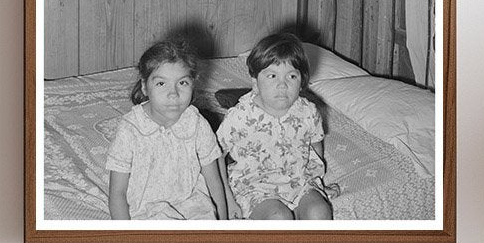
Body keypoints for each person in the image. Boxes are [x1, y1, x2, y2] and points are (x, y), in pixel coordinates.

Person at [216, 32, 333, 221]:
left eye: (291, 76)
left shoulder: (308, 111)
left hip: (299, 181)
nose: (282, 85)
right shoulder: (240, 116)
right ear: (255, 82)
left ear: (302, 81)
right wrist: (228, 200)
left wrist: (318, 182)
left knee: (320, 212)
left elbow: (316, 147)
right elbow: (216, 156)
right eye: (272, 76)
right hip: (255, 186)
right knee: (279, 218)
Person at [106, 42, 228, 221]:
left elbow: (214, 182)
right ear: (145, 87)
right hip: (146, 210)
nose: (173, 93)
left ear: (193, 84)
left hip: (193, 204)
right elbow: (117, 193)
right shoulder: (130, 129)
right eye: (161, 83)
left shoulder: (196, 124)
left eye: (183, 83)